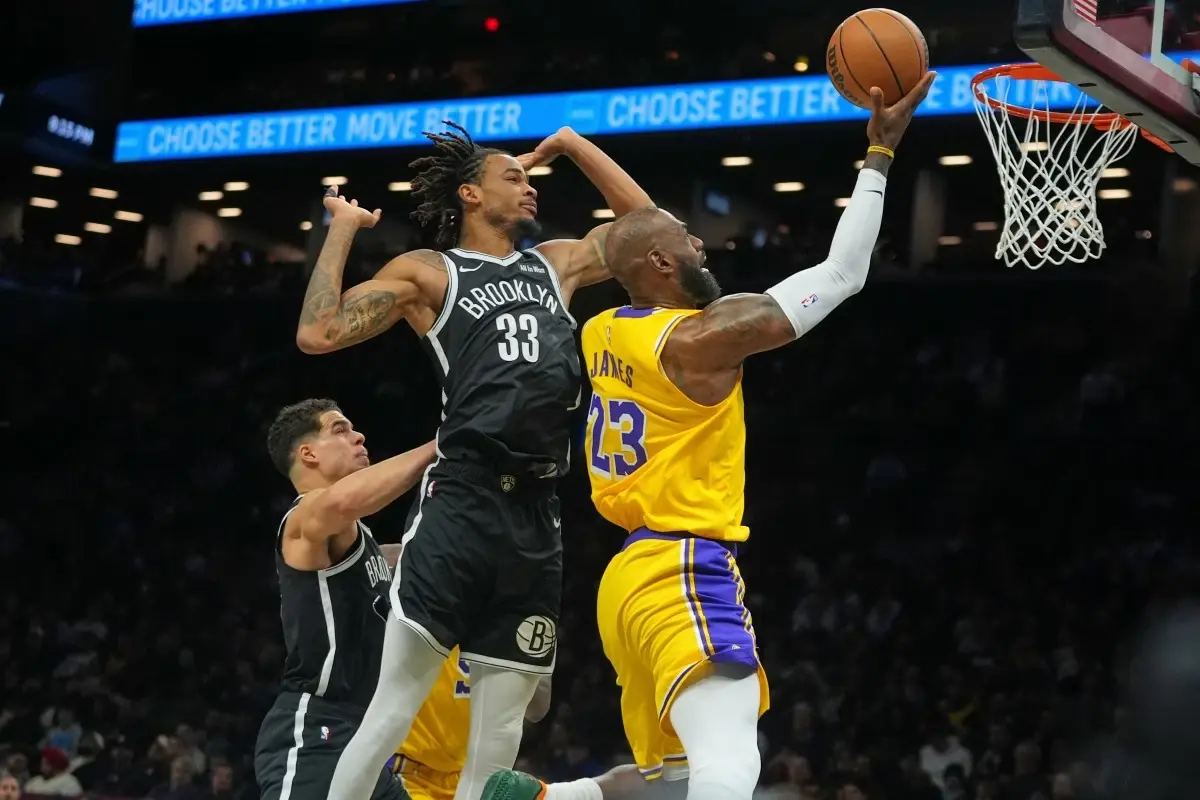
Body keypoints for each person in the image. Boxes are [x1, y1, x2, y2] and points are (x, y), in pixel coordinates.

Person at [483, 73, 936, 800]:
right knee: (732, 762)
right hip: (683, 566)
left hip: (625, 584)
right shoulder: (699, 342)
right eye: (688, 240)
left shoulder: (603, 330)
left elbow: (640, 232)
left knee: (674, 780)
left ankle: (544, 798)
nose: (701, 243)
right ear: (663, 265)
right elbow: (843, 273)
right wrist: (878, 156)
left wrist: (574, 146)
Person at [309, 124, 653, 800]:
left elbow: (650, 234)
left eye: (530, 179)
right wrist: (342, 228)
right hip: (461, 501)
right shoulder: (431, 272)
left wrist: (572, 146)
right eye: (513, 177)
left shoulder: (554, 264)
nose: (529, 187)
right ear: (470, 193)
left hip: (537, 512)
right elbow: (318, 333)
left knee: (498, 738)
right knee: (391, 712)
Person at [254, 398, 435, 800]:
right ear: (308, 454)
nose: (359, 436)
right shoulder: (304, 519)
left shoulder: (361, 542)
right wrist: (441, 444)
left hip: (365, 734)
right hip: (317, 729)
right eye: (340, 430)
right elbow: (340, 503)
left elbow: (416, 554)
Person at [384, 641, 553, 800]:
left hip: (467, 777)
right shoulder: (430, 622)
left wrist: (531, 650)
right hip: (409, 772)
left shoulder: (506, 632)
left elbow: (537, 710)